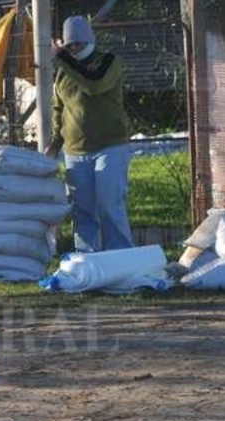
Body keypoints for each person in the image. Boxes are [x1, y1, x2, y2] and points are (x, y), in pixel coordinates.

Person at [46, 15, 134, 253]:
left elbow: (94, 84)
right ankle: (87, 257)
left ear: (89, 40)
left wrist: (62, 57)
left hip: (110, 146)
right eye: (70, 45)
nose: (74, 48)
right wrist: (55, 142)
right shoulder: (63, 72)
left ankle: (119, 255)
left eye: (79, 43)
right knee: (82, 209)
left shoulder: (108, 62)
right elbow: (59, 109)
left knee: (109, 205)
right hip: (75, 151)